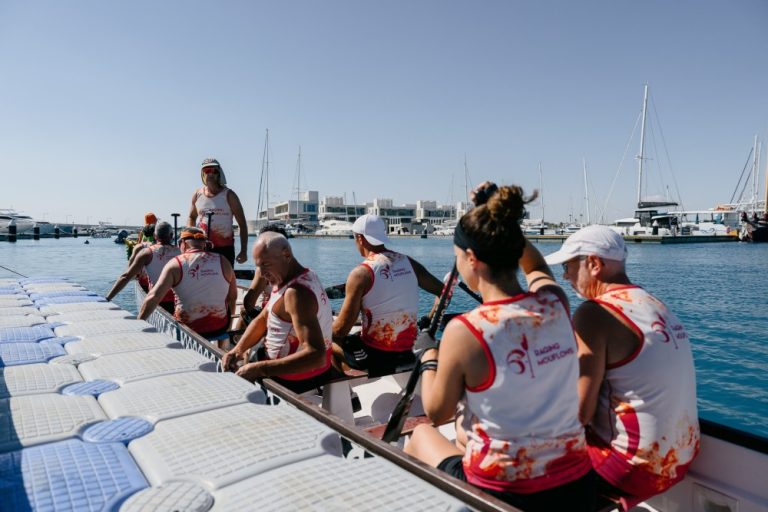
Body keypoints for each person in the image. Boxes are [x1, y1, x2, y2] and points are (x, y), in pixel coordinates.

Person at [404, 185, 594, 512]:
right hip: (577, 485)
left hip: (506, 493)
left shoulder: (467, 330)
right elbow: (534, 265)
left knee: (420, 436)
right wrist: (498, 217)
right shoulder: (554, 303)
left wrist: (428, 356)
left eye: (457, 256)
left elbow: (438, 411)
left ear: (472, 259)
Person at [544, 225, 699, 510]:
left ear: (593, 263)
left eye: (567, 266)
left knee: (513, 464)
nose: (565, 276)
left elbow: (577, 413)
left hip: (628, 470)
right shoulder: (657, 305)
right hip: (679, 461)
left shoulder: (595, 313)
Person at [221, 231, 339, 393]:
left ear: (286, 254)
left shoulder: (296, 293)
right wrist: (237, 350)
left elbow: (316, 356)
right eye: (258, 266)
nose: (262, 274)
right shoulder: (299, 275)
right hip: (288, 368)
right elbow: (263, 318)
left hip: (294, 378)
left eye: (266, 265)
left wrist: (261, 369)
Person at [331, 214, 444, 376]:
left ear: (360, 239)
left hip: (378, 357)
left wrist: (324, 328)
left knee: (328, 340)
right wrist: (429, 320)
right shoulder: (409, 263)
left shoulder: (360, 274)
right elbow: (444, 291)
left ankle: (340, 392)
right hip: (411, 352)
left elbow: (341, 330)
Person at [138, 226, 236, 347]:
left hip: (187, 330)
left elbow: (154, 297)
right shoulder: (224, 261)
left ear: (183, 243)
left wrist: (138, 325)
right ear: (204, 244)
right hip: (220, 328)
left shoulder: (175, 264)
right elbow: (232, 297)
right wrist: (229, 325)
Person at [106, 222, 180, 313]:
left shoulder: (147, 253)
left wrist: (107, 298)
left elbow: (126, 276)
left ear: (155, 235)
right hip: (178, 302)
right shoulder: (181, 252)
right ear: (172, 235)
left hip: (156, 300)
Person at [187, 158, 248, 266]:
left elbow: (242, 224)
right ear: (203, 174)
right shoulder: (197, 194)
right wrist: (190, 239)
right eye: (207, 171)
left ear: (219, 174)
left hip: (224, 249)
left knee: (225, 282)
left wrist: (243, 251)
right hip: (202, 247)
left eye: (213, 171)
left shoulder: (229, 195)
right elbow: (191, 217)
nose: (210, 174)